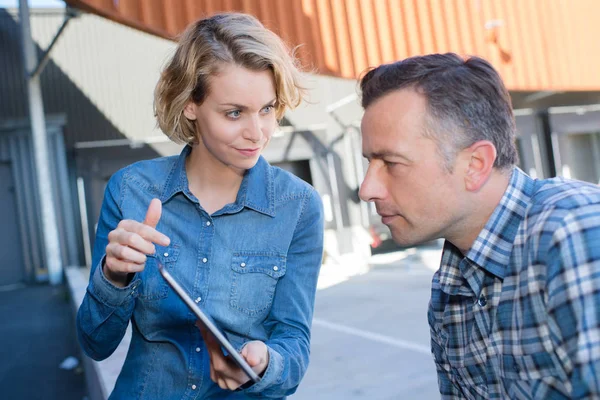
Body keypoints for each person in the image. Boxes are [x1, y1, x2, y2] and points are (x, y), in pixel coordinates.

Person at [76, 12, 324, 399]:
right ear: (191, 104)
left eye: (267, 109)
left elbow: (293, 343)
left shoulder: (298, 206)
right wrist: (114, 276)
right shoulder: (131, 191)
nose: (257, 133)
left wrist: (264, 363)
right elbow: (95, 344)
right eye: (234, 112)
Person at [358, 53, 600, 399]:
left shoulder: (575, 233)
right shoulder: (448, 286)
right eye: (370, 162)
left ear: (475, 165)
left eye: (391, 163)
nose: (367, 189)